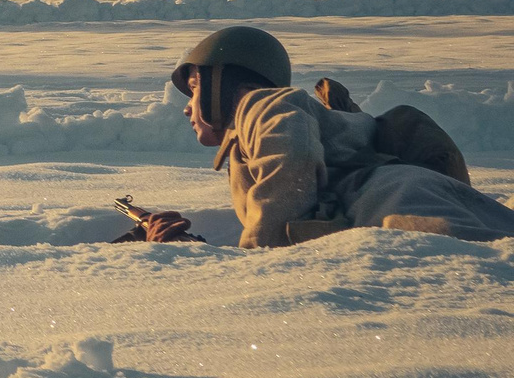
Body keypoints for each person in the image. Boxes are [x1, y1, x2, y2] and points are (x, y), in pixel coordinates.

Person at [170, 27, 513, 248]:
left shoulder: (261, 105)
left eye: (196, 88)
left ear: (227, 88)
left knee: (483, 263)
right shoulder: (261, 123)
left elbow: (292, 161)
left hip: (395, 202)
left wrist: (257, 258)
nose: (188, 108)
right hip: (404, 193)